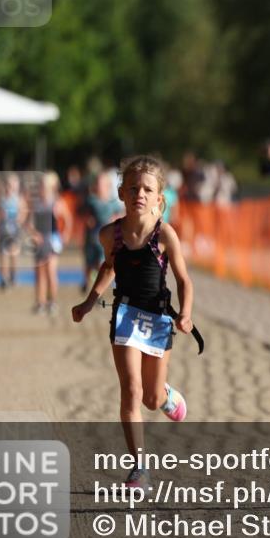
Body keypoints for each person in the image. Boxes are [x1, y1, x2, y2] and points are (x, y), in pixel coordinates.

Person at [71, 155, 195, 489]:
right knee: (131, 391)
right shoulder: (110, 235)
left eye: (147, 189)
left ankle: (165, 396)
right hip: (125, 317)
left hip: (157, 319)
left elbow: (184, 280)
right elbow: (109, 267)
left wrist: (185, 313)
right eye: (133, 188)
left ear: (159, 198)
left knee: (150, 398)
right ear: (121, 194)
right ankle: (139, 468)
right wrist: (89, 302)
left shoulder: (165, 234)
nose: (140, 194)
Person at [27, 172, 72, 315]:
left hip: (52, 240)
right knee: (39, 273)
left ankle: (52, 302)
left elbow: (68, 219)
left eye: (45, 186)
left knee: (51, 272)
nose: (42, 188)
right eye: (40, 185)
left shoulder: (57, 202)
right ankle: (40, 302)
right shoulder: (36, 203)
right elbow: (28, 222)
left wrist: (65, 235)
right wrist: (34, 234)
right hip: (39, 242)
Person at [80, 170, 124, 293]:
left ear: (108, 186)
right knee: (89, 263)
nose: (100, 187)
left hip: (106, 239)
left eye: (103, 184)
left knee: (102, 263)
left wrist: (115, 219)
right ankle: (86, 281)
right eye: (98, 184)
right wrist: (88, 219)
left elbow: (121, 214)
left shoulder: (113, 202)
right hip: (92, 238)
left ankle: (98, 287)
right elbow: (82, 213)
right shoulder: (91, 200)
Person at [0, 173, 26, 290]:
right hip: (3, 230)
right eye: (8, 184)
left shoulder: (18, 199)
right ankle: (4, 278)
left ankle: (13, 277)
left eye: (12, 184)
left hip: (15, 230)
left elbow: (23, 211)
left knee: (14, 253)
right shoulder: (2, 199)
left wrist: (19, 219)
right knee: (3, 254)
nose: (10, 187)